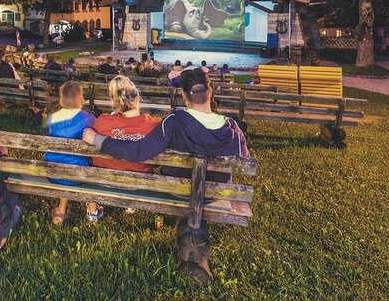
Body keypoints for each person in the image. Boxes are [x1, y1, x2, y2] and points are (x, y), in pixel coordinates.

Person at [81, 69, 249, 280]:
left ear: (184, 95)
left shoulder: (174, 121)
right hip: (214, 195)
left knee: (186, 193)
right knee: (196, 197)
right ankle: (196, 255)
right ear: (210, 91)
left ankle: (193, 252)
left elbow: (138, 152)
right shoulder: (233, 128)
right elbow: (244, 160)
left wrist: (97, 139)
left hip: (176, 191)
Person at [46, 81, 101, 224]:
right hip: (79, 173)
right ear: (81, 99)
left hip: (53, 171)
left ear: (61, 100)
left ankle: (61, 210)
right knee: (96, 166)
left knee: (64, 160)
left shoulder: (52, 118)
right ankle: (92, 210)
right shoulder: (88, 118)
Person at [92, 76, 161, 173]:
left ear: (114, 101)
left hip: (101, 179)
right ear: (137, 98)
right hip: (139, 180)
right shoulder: (154, 125)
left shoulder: (102, 122)